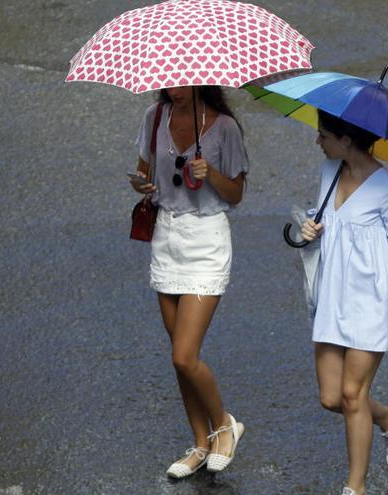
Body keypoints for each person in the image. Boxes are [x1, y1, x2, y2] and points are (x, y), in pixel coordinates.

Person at [300, 110, 388, 495]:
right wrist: (311, 229)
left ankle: (355, 488)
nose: (317, 141)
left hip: (371, 301)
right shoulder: (329, 171)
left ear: (346, 140)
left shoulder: (386, 187)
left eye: (323, 134)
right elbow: (325, 224)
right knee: (331, 397)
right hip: (332, 297)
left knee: (353, 395)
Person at [131, 86, 248, 478]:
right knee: (178, 359)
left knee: (185, 353)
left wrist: (209, 172)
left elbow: (236, 193)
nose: (172, 90)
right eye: (167, 84)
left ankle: (224, 424)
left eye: (180, 84)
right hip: (167, 236)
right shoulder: (154, 118)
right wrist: (142, 185)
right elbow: (145, 172)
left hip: (207, 240)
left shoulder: (225, 128)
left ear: (199, 80)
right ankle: (200, 443)